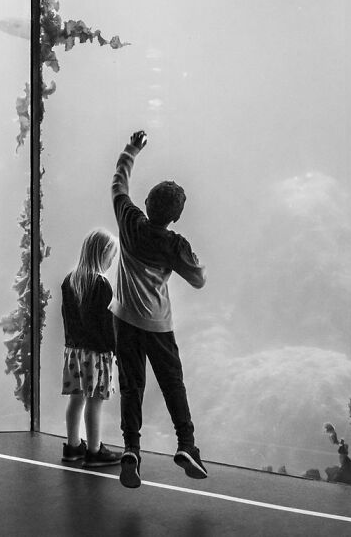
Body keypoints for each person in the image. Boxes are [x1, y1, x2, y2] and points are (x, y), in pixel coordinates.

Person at [109, 129, 207, 490]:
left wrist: (132, 149)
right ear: (175, 216)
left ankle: (131, 450)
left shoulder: (129, 220)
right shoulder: (175, 243)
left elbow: (119, 182)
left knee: (131, 385)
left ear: (146, 203)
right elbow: (198, 279)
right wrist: (189, 258)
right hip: (157, 325)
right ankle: (186, 445)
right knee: (172, 384)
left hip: (123, 320)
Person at [60, 228, 122, 468]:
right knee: (95, 400)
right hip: (97, 353)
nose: (112, 262)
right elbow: (106, 324)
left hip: (74, 352)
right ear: (104, 253)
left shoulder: (70, 280)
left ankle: (73, 446)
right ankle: (94, 451)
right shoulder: (101, 283)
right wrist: (114, 350)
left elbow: (69, 318)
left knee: (76, 399)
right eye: (112, 256)